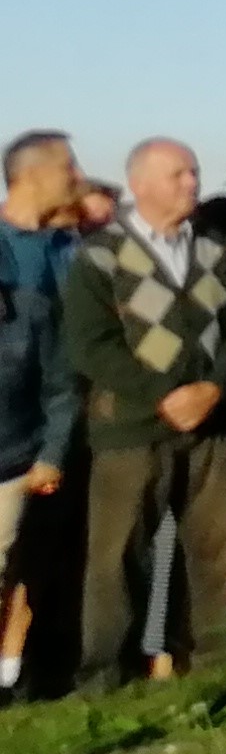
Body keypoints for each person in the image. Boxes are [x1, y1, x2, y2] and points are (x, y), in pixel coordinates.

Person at [68, 140, 226, 687]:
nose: (192, 184)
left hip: (213, 425)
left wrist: (213, 390)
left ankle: (212, 661)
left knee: (218, 547)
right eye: (178, 174)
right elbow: (90, 344)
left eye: (194, 172)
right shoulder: (100, 253)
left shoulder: (216, 247)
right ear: (141, 183)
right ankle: (106, 674)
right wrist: (167, 394)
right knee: (118, 555)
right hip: (131, 425)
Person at [0, 134, 80, 696]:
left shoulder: (68, 249)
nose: (77, 174)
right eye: (68, 166)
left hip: (52, 430)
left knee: (38, 560)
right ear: (31, 175)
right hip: (8, 437)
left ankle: (16, 671)